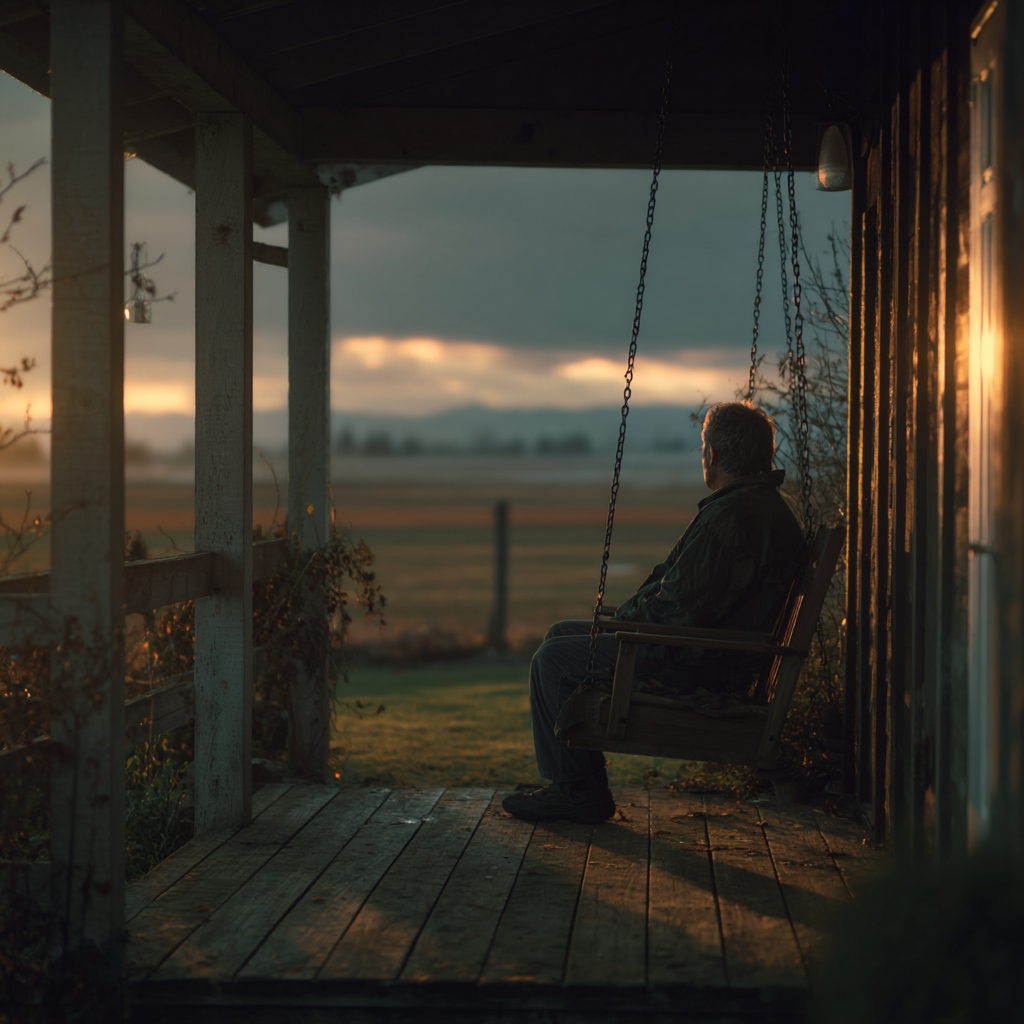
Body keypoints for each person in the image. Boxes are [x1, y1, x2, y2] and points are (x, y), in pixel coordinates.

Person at [502, 401, 806, 824]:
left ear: (713, 455)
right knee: (561, 633)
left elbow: (680, 610)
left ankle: (575, 792)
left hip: (696, 662)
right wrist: (625, 619)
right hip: (713, 653)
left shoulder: (734, 517)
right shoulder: (758, 507)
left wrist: (626, 623)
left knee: (552, 660)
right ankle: (580, 784)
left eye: (704, 448)